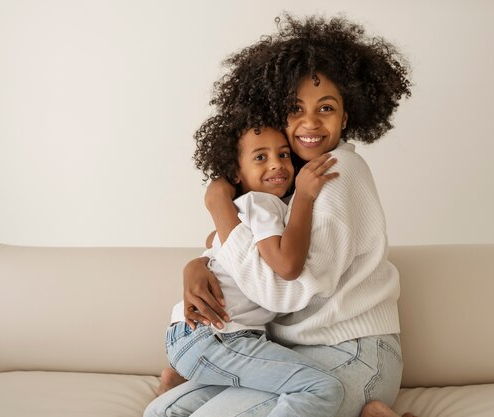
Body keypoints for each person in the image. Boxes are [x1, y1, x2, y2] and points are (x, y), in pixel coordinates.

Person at [146, 14, 415, 417]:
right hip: (285, 353)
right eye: (294, 109)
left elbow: (281, 290)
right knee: (163, 413)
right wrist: (199, 263)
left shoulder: (336, 173)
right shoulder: (290, 183)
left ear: (346, 117)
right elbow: (251, 253)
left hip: (355, 353)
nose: (309, 122)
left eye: (326, 108)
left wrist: (219, 205)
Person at [146, 125, 343, 417]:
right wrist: (304, 196)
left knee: (260, 387)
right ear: (236, 174)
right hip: (220, 336)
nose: (276, 163)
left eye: (283, 154)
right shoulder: (262, 204)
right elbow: (287, 265)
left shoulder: (244, 209)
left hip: (196, 336)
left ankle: (173, 395)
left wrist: (197, 262)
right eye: (260, 157)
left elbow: (212, 240)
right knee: (322, 387)